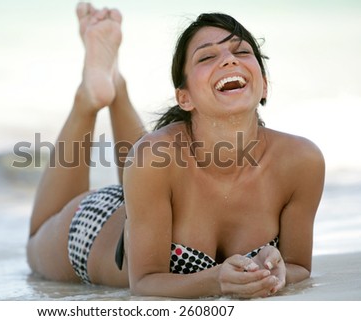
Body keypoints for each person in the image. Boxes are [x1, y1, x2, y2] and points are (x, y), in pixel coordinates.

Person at [26, 2, 325, 299]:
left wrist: (279, 273)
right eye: (207, 56)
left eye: (242, 51)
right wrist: (217, 281)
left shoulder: (301, 162)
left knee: (151, 159)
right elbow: (142, 283)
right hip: (96, 227)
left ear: (264, 87)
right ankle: (89, 98)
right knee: (36, 240)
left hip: (150, 195)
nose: (229, 60)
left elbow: (299, 265)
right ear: (184, 98)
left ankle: (114, 82)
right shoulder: (153, 156)